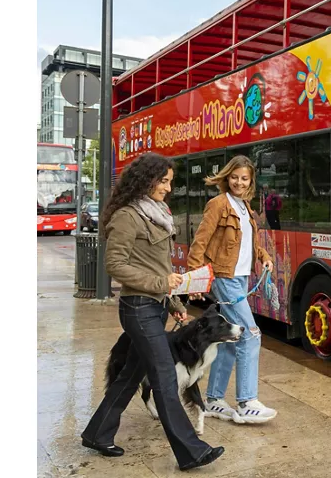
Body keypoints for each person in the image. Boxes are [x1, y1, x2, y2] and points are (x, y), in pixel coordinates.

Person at [81, 153, 224, 471]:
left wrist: (173, 302)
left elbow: (156, 266)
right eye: (164, 181)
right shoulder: (126, 217)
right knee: (163, 377)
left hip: (156, 308)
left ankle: (97, 433)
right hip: (138, 310)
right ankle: (191, 451)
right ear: (146, 180)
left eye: (170, 182)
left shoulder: (158, 213)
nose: (168, 188)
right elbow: (114, 265)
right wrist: (161, 282)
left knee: (130, 375)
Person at [187, 155, 277, 424]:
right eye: (234, 177)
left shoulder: (244, 207)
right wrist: (194, 277)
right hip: (224, 277)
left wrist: (263, 256)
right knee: (250, 334)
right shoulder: (218, 204)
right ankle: (247, 401)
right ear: (227, 177)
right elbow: (200, 242)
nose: (239, 182)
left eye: (244, 178)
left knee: (229, 340)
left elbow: (248, 242)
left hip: (240, 279)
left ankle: (214, 400)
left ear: (250, 181)